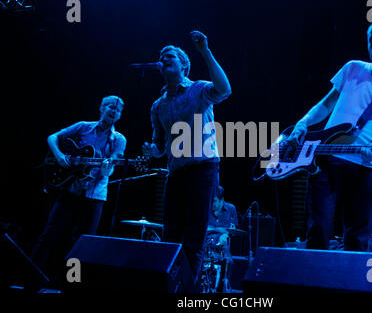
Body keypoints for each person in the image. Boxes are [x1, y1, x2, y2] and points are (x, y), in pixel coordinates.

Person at [287, 18, 372, 251]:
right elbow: (325, 105)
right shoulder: (353, 68)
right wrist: (302, 124)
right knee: (318, 229)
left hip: (366, 166)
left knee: (358, 235)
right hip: (327, 161)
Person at [142, 31, 232, 289]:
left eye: (169, 56)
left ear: (183, 65)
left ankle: (188, 294)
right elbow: (160, 146)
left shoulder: (199, 89)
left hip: (203, 168)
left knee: (194, 236)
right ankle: (170, 288)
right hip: (176, 172)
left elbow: (225, 89)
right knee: (170, 234)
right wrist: (152, 150)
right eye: (161, 57)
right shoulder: (158, 105)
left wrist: (205, 50)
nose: (163, 59)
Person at [32, 95, 126, 289]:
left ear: (120, 115)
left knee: (83, 243)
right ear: (101, 107)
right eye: (110, 106)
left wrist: (107, 168)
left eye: (118, 109)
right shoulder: (84, 126)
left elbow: (113, 165)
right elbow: (53, 137)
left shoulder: (118, 139)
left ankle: (70, 283)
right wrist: (59, 156)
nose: (113, 111)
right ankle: (31, 275)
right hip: (70, 189)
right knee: (51, 233)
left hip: (95, 196)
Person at [205, 185, 238, 292]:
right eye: (210, 201)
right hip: (206, 247)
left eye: (214, 201)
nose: (211, 204)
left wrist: (225, 235)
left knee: (227, 258)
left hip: (223, 249)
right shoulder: (205, 209)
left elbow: (233, 230)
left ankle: (223, 285)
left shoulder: (231, 209)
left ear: (221, 200)